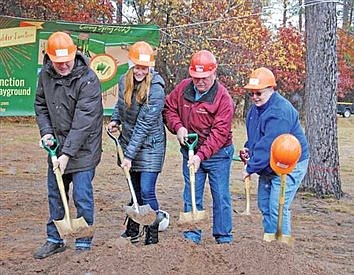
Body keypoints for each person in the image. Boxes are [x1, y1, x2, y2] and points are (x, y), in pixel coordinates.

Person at [33, 32, 103, 259]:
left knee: (81, 195)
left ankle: (83, 243)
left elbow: (84, 121)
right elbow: (41, 104)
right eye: (58, 62)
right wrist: (46, 133)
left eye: (67, 62)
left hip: (83, 150)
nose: (63, 66)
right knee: (55, 194)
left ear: (75, 55)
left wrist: (66, 154)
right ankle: (55, 239)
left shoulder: (89, 80)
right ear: (50, 59)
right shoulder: (45, 75)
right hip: (58, 147)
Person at [163, 50, 235, 244]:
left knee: (220, 195)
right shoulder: (183, 89)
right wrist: (177, 127)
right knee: (191, 193)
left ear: (214, 73)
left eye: (204, 77)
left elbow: (219, 134)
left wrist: (200, 156)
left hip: (218, 154)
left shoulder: (223, 99)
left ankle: (223, 238)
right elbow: (168, 109)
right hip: (190, 150)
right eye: (196, 77)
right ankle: (191, 237)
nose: (200, 81)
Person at [240, 67, 309, 244]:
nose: (254, 97)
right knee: (264, 205)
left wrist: (250, 167)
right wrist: (249, 150)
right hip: (270, 162)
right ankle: (270, 247)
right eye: (251, 94)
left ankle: (282, 251)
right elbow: (257, 138)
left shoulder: (280, 112)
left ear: (271, 89)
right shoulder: (255, 110)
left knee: (277, 207)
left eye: (259, 93)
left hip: (289, 163)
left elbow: (269, 144)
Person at [107, 41, 166, 245]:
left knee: (146, 189)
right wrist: (115, 120)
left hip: (150, 145)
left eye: (144, 67)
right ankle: (133, 229)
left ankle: (152, 233)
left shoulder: (157, 89)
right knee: (134, 189)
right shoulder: (125, 80)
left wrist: (129, 156)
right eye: (137, 67)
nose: (140, 71)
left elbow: (143, 126)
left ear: (150, 67)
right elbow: (121, 103)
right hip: (128, 141)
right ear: (131, 64)